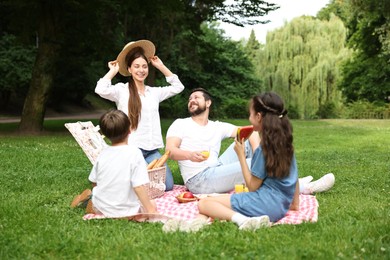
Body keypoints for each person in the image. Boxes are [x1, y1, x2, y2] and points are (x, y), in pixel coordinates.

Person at [165, 88, 335, 195]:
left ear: (208, 103)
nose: (192, 100)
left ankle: (274, 176)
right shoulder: (180, 123)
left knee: (245, 143)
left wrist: (258, 156)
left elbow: (252, 133)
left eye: (196, 97)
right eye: (189, 99)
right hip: (199, 180)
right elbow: (170, 151)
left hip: (215, 168)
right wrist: (189, 155)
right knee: (248, 163)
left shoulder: (217, 126)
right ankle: (302, 187)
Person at [95, 40, 185, 191]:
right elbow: (100, 89)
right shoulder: (121, 91)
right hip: (131, 150)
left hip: (152, 150)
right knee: (144, 186)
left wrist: (161, 66)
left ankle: (125, 180)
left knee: (167, 186)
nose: (141, 70)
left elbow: (178, 87)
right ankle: (120, 179)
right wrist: (113, 71)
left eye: (144, 66)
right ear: (129, 69)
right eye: (136, 66)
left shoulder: (154, 92)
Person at [71, 109, 157, 217]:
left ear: (104, 134)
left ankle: (91, 201)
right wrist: (150, 210)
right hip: (126, 210)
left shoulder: (102, 154)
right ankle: (89, 200)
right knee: (152, 203)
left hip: (101, 206)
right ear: (129, 129)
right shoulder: (135, 153)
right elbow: (139, 186)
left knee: (97, 194)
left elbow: (94, 182)